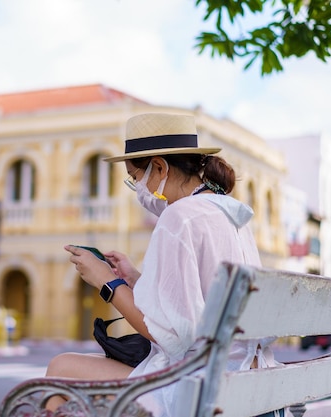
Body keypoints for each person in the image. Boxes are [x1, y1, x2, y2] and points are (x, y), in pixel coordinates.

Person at [46, 113, 283, 417]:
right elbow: (197, 303)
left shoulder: (179, 217)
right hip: (246, 378)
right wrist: (135, 279)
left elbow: (168, 336)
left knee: (61, 368)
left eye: (135, 177)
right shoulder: (233, 215)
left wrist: (106, 282)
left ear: (159, 166)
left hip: (197, 386)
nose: (138, 189)